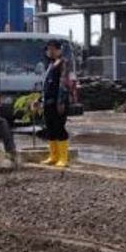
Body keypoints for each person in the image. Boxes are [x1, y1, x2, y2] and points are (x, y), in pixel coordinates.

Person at [39, 39, 73, 168]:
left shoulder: (63, 63)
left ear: (59, 50)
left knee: (59, 128)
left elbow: (63, 84)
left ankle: (63, 158)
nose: (50, 51)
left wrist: (61, 101)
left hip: (58, 102)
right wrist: (40, 100)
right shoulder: (50, 65)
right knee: (50, 128)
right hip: (48, 101)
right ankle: (53, 156)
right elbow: (46, 86)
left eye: (53, 49)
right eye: (48, 49)